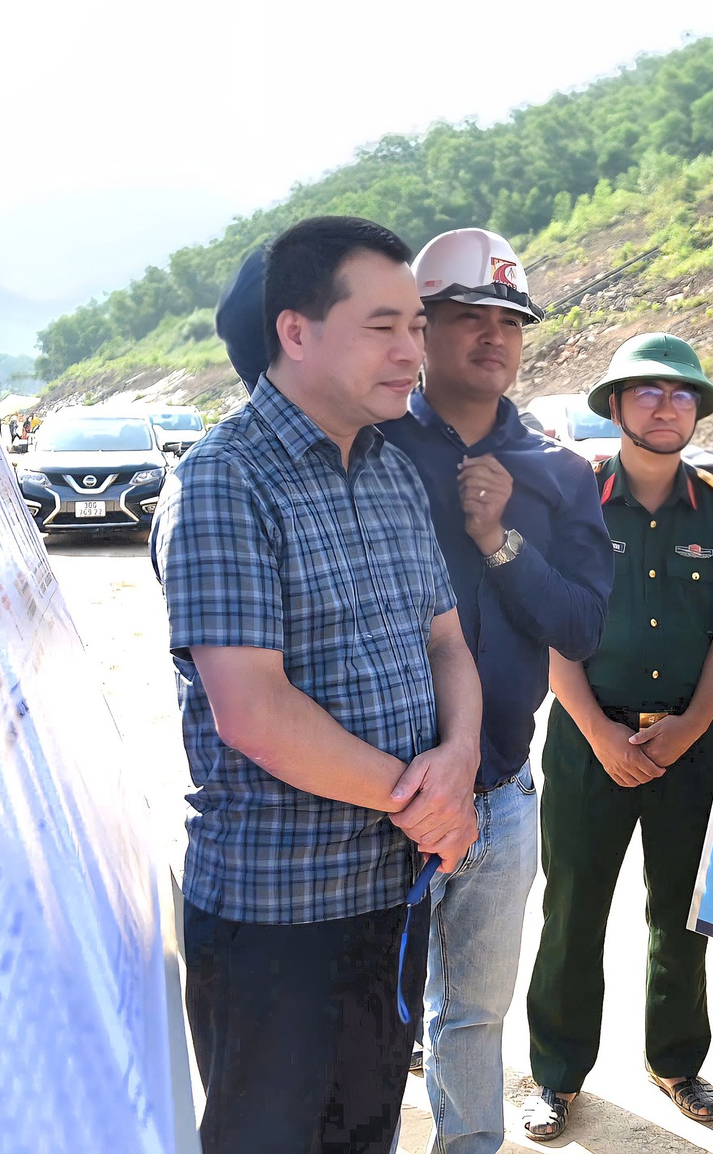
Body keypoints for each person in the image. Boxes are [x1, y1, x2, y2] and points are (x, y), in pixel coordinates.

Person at [153, 215, 484, 1154]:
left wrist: (460, 759)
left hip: (390, 897)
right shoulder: (223, 482)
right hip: (276, 918)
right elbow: (253, 712)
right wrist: (425, 803)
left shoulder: (391, 474)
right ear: (295, 332)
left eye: (416, 326)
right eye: (384, 326)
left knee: (367, 1133)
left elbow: (447, 643)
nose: (413, 352)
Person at [379, 228, 613, 1154]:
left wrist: (498, 540)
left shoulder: (558, 473)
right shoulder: (370, 449)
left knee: (474, 1014)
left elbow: (582, 629)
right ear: (421, 328)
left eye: (510, 321)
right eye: (468, 316)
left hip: (504, 793)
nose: (493, 337)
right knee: (374, 1014)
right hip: (379, 790)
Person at [521, 333, 713, 1140]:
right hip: (588, 740)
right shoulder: (570, 503)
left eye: (682, 393)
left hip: (692, 743)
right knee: (572, 912)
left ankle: (676, 1061)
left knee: (683, 914)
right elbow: (549, 623)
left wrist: (692, 726)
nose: (665, 406)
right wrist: (598, 731)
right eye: (647, 391)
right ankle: (556, 1074)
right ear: (614, 405)